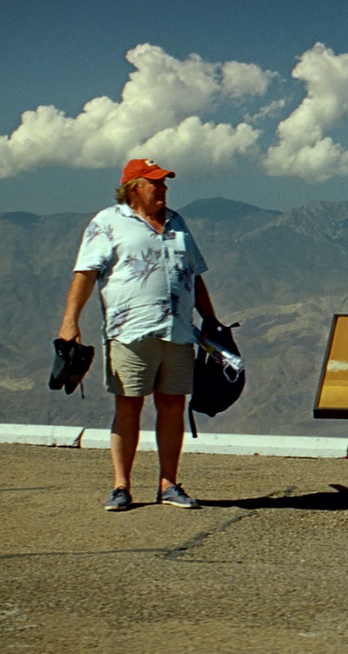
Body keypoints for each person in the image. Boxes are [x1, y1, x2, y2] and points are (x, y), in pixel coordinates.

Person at [58, 159, 220, 512]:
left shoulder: (177, 223)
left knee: (173, 405)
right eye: (154, 183)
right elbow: (85, 274)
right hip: (130, 331)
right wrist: (70, 322)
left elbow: (195, 274)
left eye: (164, 184)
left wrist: (210, 318)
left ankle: (169, 484)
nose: (162, 189)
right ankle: (121, 486)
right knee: (128, 405)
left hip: (177, 331)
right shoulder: (108, 222)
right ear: (133, 187)